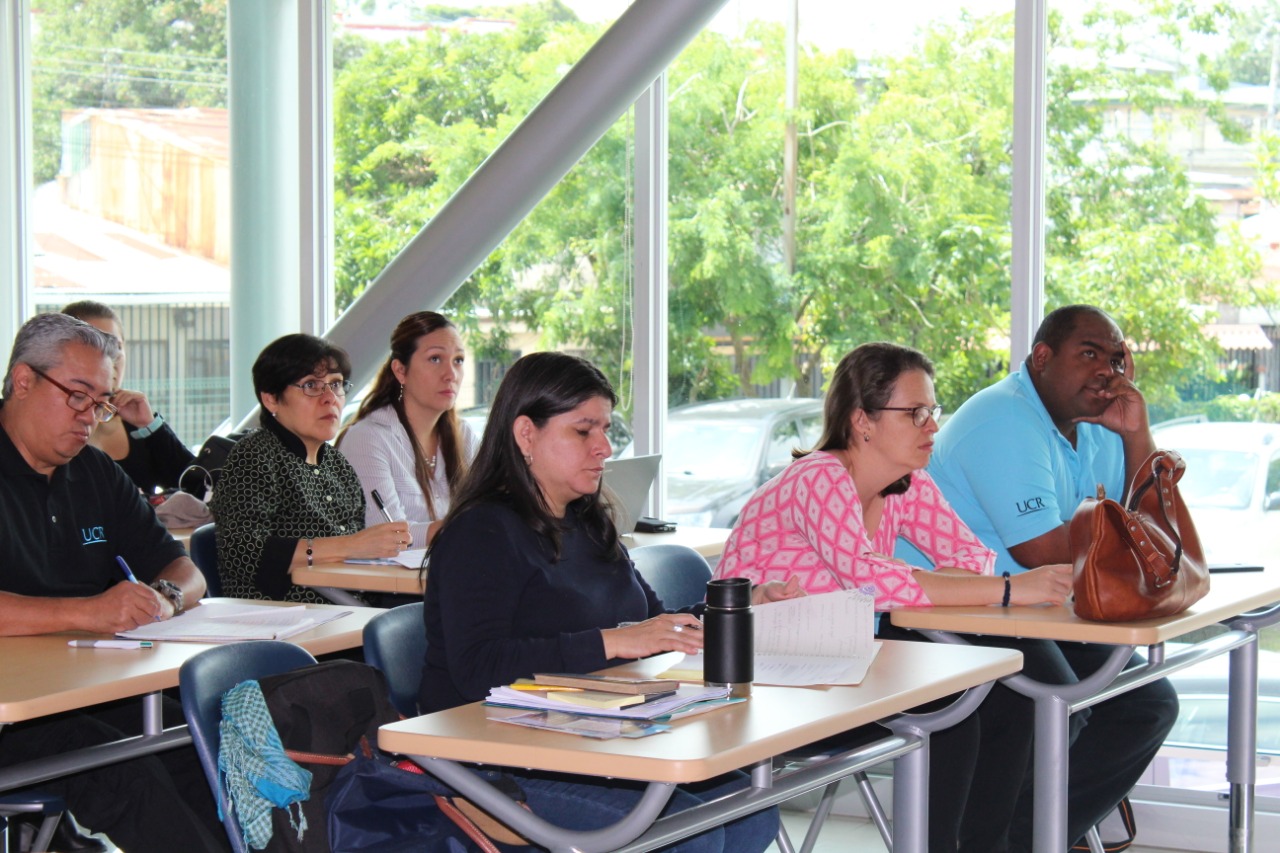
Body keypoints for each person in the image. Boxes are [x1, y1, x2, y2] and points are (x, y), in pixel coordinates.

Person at [421, 351, 799, 853]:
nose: (603, 447)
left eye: (604, 430)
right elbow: (477, 668)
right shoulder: (482, 532)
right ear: (526, 435)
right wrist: (612, 642)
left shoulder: (586, 519)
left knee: (751, 812)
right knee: (693, 837)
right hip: (496, 761)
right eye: (583, 431)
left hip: (589, 736)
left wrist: (743, 605)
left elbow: (653, 623)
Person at [714, 341, 1073, 853]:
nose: (933, 427)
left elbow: (969, 559)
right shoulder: (819, 476)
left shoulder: (907, 484)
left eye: (933, 411)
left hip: (842, 665)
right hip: (763, 682)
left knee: (1008, 700)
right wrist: (1011, 589)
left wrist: (908, 573)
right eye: (916, 413)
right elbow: (872, 582)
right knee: (955, 709)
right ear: (863, 420)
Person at [909, 304, 1180, 851]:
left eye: (1117, 357)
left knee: (1146, 703)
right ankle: (1004, 838)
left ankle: (1030, 836)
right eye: (1089, 354)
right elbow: (1045, 550)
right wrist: (1130, 544)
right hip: (951, 607)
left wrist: (1135, 436)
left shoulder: (1098, 423)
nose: (1108, 371)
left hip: (1039, 606)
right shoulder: (1002, 419)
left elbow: (1150, 529)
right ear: (1041, 357)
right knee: (1056, 698)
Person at [0, 313, 227, 853]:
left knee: (203, 743)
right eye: (78, 396)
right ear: (23, 381)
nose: (90, 417)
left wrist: (165, 600)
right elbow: (86, 613)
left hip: (82, 687)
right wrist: (87, 612)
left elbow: (184, 568)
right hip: (15, 711)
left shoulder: (95, 470)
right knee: (131, 776)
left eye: (101, 402)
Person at [210, 333, 410, 603]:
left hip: (349, 607)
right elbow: (244, 552)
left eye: (336, 384)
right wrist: (353, 546)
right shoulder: (254, 456)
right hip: (282, 619)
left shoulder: (338, 465)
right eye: (311, 385)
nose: (330, 398)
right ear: (271, 399)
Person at [338, 311, 478, 546]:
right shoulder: (368, 438)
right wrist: (469, 526)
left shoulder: (464, 435)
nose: (451, 374)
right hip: (388, 582)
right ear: (400, 371)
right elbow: (387, 536)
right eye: (435, 359)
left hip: (452, 577)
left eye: (459, 360)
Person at [61, 299, 199, 495]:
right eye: (96, 345)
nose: (110, 359)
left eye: (116, 347)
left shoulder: (135, 420)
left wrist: (150, 426)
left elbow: (197, 484)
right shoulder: (55, 423)